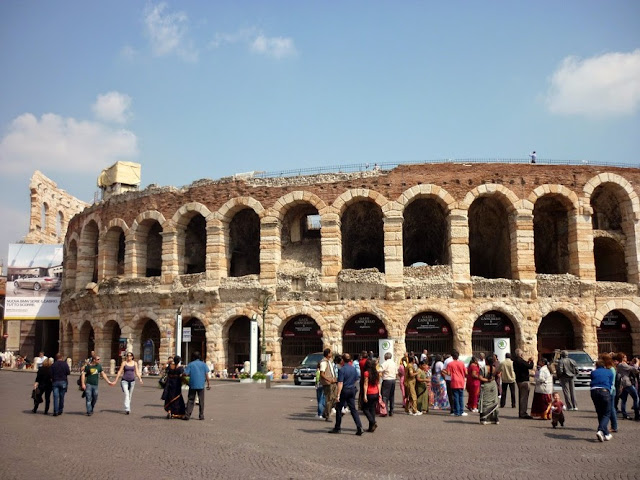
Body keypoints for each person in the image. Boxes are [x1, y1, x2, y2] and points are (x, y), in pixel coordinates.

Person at [329, 353, 363, 435]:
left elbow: (340, 383)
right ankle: (359, 427)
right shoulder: (353, 369)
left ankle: (337, 427)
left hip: (344, 390)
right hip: (351, 389)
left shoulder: (342, 370)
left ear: (343, 360)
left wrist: (338, 395)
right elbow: (356, 379)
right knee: (353, 409)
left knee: (339, 408)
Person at [590, 356, 614, 442]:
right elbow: (610, 383)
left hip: (593, 391)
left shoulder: (593, 372)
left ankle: (606, 433)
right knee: (607, 413)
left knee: (599, 412)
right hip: (604, 391)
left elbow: (593, 379)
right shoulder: (609, 372)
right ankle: (600, 430)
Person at [183, 351, 211, 421]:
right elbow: (206, 375)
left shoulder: (190, 364)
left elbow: (186, 374)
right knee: (201, 400)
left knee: (190, 400)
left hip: (192, 384)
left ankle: (187, 415)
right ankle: (201, 415)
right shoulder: (203, 364)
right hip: (201, 384)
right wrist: (208, 384)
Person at [443, 350, 468, 417]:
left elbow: (448, 373)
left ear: (452, 356)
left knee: (455, 397)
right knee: (461, 396)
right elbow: (466, 373)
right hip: (461, 380)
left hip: (454, 380)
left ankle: (456, 411)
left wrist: (443, 371)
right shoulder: (462, 363)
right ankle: (461, 411)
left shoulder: (450, 364)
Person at [478, 354, 499, 425]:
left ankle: (484, 419)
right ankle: (495, 419)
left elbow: (480, 377)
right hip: (493, 385)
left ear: (486, 361)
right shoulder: (494, 368)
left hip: (486, 385)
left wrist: (487, 380)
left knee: (485, 402)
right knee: (494, 401)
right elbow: (498, 375)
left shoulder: (483, 368)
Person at [514, 349, 534, 419]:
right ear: (521, 354)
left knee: (522, 397)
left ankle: (522, 412)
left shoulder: (516, 361)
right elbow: (529, 366)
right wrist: (532, 361)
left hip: (519, 380)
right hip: (523, 381)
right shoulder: (520, 361)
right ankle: (523, 413)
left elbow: (525, 365)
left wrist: (528, 362)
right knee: (524, 398)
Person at [319, 348, 337, 422]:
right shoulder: (323, 362)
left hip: (333, 382)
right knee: (328, 399)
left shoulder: (329, 361)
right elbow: (322, 374)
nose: (331, 354)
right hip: (328, 383)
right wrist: (328, 379)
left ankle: (325, 412)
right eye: (330, 353)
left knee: (334, 398)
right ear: (328, 354)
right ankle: (327, 415)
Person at [362, 358, 380, 432]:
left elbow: (365, 384)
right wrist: (379, 392)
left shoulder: (366, 373)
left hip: (369, 392)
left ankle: (372, 422)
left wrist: (364, 395)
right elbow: (378, 383)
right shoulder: (376, 372)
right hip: (375, 392)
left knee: (365, 409)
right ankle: (371, 427)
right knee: (372, 409)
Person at [379, 352, 397, 417]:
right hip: (393, 379)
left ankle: (385, 410)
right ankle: (391, 410)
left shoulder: (385, 363)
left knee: (385, 396)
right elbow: (396, 372)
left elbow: (379, 370)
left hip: (387, 380)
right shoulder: (394, 363)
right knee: (392, 395)